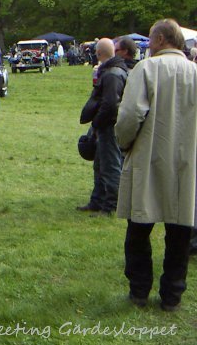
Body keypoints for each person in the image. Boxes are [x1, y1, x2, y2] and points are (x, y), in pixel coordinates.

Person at [115, 19, 197, 311]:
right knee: (180, 231)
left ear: (161, 39)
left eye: (150, 40)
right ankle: (172, 296)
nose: (147, 46)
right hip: (188, 161)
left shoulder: (146, 69)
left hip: (149, 156)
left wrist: (124, 144)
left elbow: (129, 116)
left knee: (139, 227)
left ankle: (139, 291)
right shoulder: (195, 71)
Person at [77, 38, 128, 215]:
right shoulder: (113, 70)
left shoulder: (112, 73)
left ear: (98, 53)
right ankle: (97, 201)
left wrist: (97, 122)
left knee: (110, 166)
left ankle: (110, 206)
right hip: (106, 125)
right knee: (100, 165)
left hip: (109, 126)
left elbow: (111, 104)